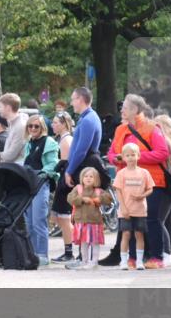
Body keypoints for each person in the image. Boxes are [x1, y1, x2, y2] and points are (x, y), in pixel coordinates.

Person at [104, 94, 170, 269]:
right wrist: (118, 159)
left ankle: (157, 257)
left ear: (135, 110)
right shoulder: (120, 130)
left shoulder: (151, 128)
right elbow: (111, 154)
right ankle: (133, 258)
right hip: (127, 182)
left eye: (125, 107)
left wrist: (134, 158)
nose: (121, 110)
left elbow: (162, 153)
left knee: (152, 220)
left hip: (152, 181)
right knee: (131, 219)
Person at [22, 115, 59, 265]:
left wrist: (41, 174)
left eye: (36, 126)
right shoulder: (29, 143)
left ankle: (42, 254)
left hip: (41, 183)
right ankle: (31, 254)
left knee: (39, 221)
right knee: (29, 223)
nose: (33, 129)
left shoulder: (49, 142)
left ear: (42, 127)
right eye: (30, 126)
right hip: (28, 184)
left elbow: (53, 164)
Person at [112, 143, 154, 270]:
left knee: (139, 235)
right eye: (127, 155)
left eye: (133, 155)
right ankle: (124, 261)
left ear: (138, 156)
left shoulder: (144, 172)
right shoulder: (121, 173)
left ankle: (139, 261)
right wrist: (123, 207)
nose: (130, 158)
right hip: (126, 211)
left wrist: (142, 195)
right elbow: (118, 191)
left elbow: (150, 188)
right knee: (125, 234)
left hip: (140, 210)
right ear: (123, 158)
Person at [65, 167, 113, 270]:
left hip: (94, 221)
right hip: (80, 221)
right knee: (84, 243)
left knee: (95, 242)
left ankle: (94, 261)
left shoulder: (98, 191)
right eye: (86, 176)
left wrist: (99, 199)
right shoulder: (77, 189)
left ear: (96, 179)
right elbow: (70, 198)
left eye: (91, 176)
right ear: (82, 178)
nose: (88, 178)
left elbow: (109, 199)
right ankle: (84, 261)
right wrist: (82, 199)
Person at [50, 111, 77, 263]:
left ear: (64, 124)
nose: (53, 125)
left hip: (65, 182)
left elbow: (65, 164)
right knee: (58, 217)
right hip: (63, 180)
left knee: (64, 218)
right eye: (53, 122)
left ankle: (70, 251)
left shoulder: (66, 141)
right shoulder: (63, 139)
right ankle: (69, 249)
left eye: (56, 123)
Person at [0, 93, 27, 164]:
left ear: (8, 108)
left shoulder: (20, 126)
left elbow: (11, 154)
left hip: (16, 170)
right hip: (12, 167)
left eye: (0, 107)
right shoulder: (13, 124)